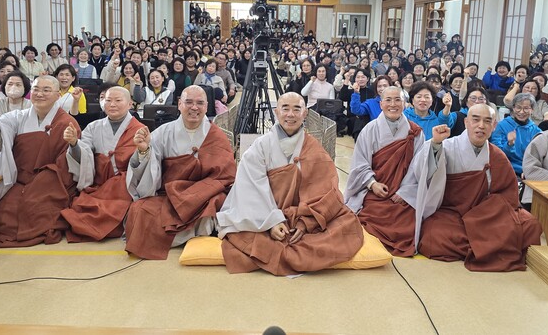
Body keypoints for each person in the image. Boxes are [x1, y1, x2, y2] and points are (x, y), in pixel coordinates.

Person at [217, 92, 363, 275]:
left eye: (297, 109)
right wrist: (272, 221)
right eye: (285, 109)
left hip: (302, 213)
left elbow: (327, 190)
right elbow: (251, 186)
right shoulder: (261, 146)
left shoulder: (314, 148)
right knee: (240, 230)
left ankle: (297, 232)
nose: (291, 114)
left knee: (348, 221)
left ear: (305, 114)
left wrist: (305, 222)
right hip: (265, 211)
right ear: (277, 112)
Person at [412, 105, 542, 271]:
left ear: (494, 126)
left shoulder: (496, 155)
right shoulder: (448, 146)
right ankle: (490, 246)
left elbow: (508, 194)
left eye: (487, 121)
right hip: (452, 212)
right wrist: (436, 144)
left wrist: (487, 213)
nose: (481, 125)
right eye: (476, 119)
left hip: (485, 213)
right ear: (466, 122)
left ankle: (477, 247)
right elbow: (422, 173)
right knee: (433, 236)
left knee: (530, 224)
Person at [124, 85, 236, 259]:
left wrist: (199, 193)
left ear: (206, 106)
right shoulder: (163, 132)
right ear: (179, 104)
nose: (194, 107)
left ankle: (188, 234)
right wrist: (144, 150)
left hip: (204, 194)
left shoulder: (216, 135)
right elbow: (152, 169)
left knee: (218, 201)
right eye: (189, 102)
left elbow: (226, 176)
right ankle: (190, 236)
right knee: (140, 209)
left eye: (200, 103)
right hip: (170, 194)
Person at [0, 75, 81, 247]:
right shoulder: (17, 117)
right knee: (4, 216)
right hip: (21, 180)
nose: (40, 94)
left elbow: (69, 164)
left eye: (46, 90)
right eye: (36, 89)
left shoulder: (67, 122)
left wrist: (73, 144)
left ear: (58, 95)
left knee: (38, 209)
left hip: (53, 180)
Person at [345, 86, 425, 257]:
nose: (393, 104)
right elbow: (360, 163)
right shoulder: (370, 129)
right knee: (369, 218)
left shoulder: (416, 133)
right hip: (376, 191)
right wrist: (372, 184)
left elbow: (418, 167)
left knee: (410, 225)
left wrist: (404, 193)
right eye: (388, 100)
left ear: (405, 104)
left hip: (402, 194)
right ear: (381, 104)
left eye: (397, 100)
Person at [61, 87, 145, 242]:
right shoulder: (93, 127)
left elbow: (144, 165)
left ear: (130, 104)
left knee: (120, 207)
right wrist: (74, 143)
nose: (112, 104)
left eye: (118, 100)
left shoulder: (140, 130)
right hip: (99, 183)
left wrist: (143, 151)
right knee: (79, 208)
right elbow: (84, 154)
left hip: (124, 185)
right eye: (108, 100)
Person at [490, 93, 542, 176]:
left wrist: (529, 171)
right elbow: (496, 154)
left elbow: (538, 157)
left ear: (532, 110)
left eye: (526, 108)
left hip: (528, 171)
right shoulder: (502, 125)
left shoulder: (536, 131)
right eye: (518, 107)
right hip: (506, 170)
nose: (521, 112)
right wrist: (509, 144)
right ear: (513, 108)